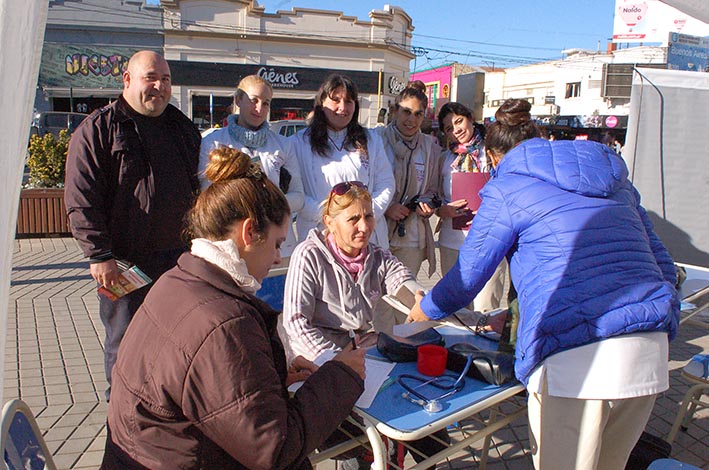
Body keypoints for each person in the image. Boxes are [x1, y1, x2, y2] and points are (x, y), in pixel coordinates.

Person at [409, 99, 680, 470]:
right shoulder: (615, 181)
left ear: (494, 156)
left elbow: (467, 276)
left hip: (577, 356)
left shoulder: (508, 187)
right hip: (648, 349)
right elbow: (664, 265)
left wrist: (423, 310)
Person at [102, 147, 365, 469]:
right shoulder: (224, 323)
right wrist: (343, 375)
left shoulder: (177, 280)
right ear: (249, 232)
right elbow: (275, 448)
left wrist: (268, 379)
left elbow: (202, 387)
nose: (278, 258)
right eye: (278, 243)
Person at [64, 50, 201, 400]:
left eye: (166, 80)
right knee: (123, 338)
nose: (159, 86)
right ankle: (122, 412)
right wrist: (99, 255)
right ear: (127, 79)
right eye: (150, 78)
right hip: (123, 262)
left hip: (177, 259)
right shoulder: (97, 130)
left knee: (177, 337)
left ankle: (167, 407)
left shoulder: (182, 128)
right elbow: (82, 199)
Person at [281, 181, 447, 468]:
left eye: (369, 216)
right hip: (319, 363)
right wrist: (336, 365)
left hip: (364, 355)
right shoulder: (308, 255)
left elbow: (398, 277)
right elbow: (295, 322)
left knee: (431, 431)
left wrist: (419, 299)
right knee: (362, 437)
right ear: (330, 223)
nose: (364, 226)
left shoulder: (374, 254)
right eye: (353, 219)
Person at [199, 74, 304, 260]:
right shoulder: (214, 142)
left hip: (277, 245)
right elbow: (208, 193)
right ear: (238, 99)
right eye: (253, 100)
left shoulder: (284, 145)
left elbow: (298, 197)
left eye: (266, 103)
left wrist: (269, 206)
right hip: (231, 245)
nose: (259, 108)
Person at [291, 74, 395, 249]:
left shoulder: (371, 140)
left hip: (364, 234)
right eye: (336, 100)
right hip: (320, 233)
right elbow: (296, 191)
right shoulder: (299, 142)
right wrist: (334, 219)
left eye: (348, 101)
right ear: (322, 103)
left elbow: (386, 183)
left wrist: (366, 216)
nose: (342, 108)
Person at [436, 102, 507, 312]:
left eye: (459, 121)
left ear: (470, 118)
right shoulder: (445, 158)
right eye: (448, 128)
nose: (456, 130)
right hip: (453, 240)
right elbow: (434, 197)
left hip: (489, 239)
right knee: (456, 308)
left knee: (485, 308)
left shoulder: (493, 154)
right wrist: (443, 209)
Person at [377, 80, 442, 279]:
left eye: (418, 114)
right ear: (395, 111)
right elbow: (365, 185)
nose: (411, 120)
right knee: (375, 301)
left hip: (412, 238)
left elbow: (433, 189)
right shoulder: (376, 140)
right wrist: (388, 207)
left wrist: (427, 204)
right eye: (406, 112)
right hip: (378, 232)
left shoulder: (430, 147)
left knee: (404, 298)